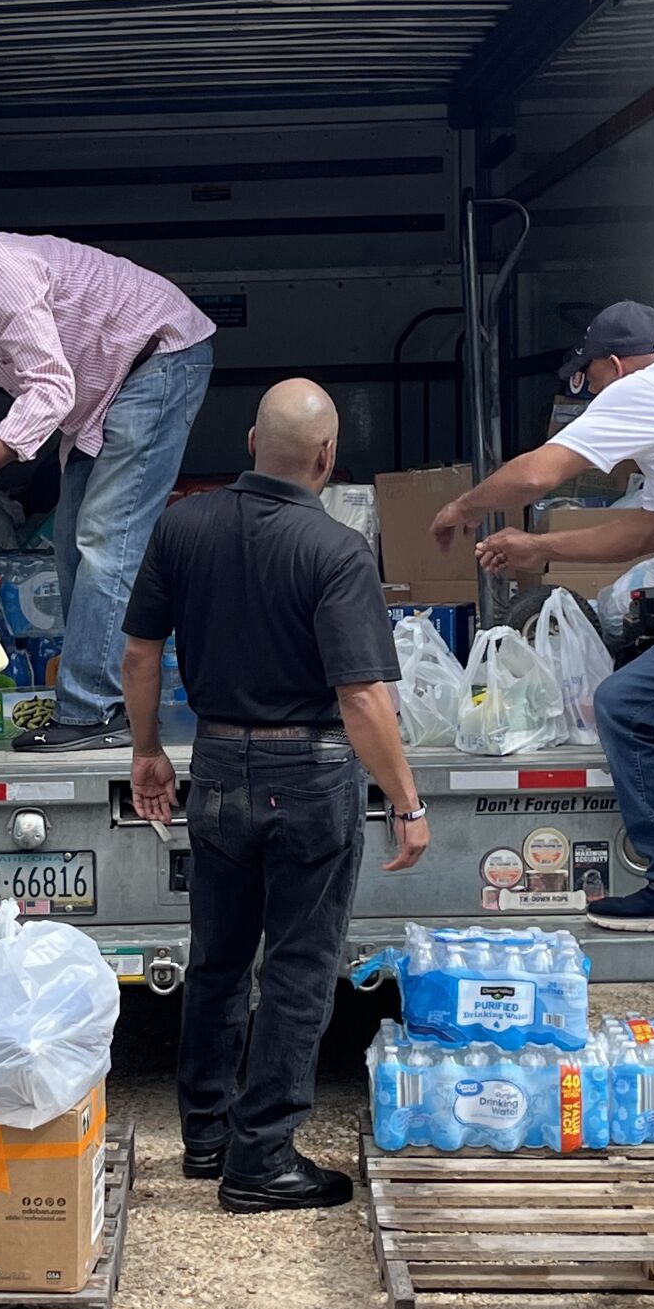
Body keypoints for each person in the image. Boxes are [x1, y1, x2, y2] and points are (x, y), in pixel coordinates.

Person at [122, 380, 431, 1214]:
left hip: (216, 767)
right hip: (308, 775)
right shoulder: (334, 549)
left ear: (251, 439)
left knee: (217, 959)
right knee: (296, 969)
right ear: (327, 457)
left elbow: (140, 653)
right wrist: (405, 800)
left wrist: (147, 750)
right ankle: (260, 1160)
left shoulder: (181, 526)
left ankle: (208, 1137)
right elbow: (363, 697)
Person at [429, 299, 654, 941]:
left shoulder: (648, 393)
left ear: (614, 366)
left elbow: (539, 471)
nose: (590, 400)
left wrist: (464, 507)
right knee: (626, 703)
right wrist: (541, 549)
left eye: (590, 382)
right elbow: (648, 530)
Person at [0, 221, 216, 751]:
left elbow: (50, 388)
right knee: (72, 543)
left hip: (158, 357)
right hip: (97, 395)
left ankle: (92, 711)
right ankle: (107, 703)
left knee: (105, 542)